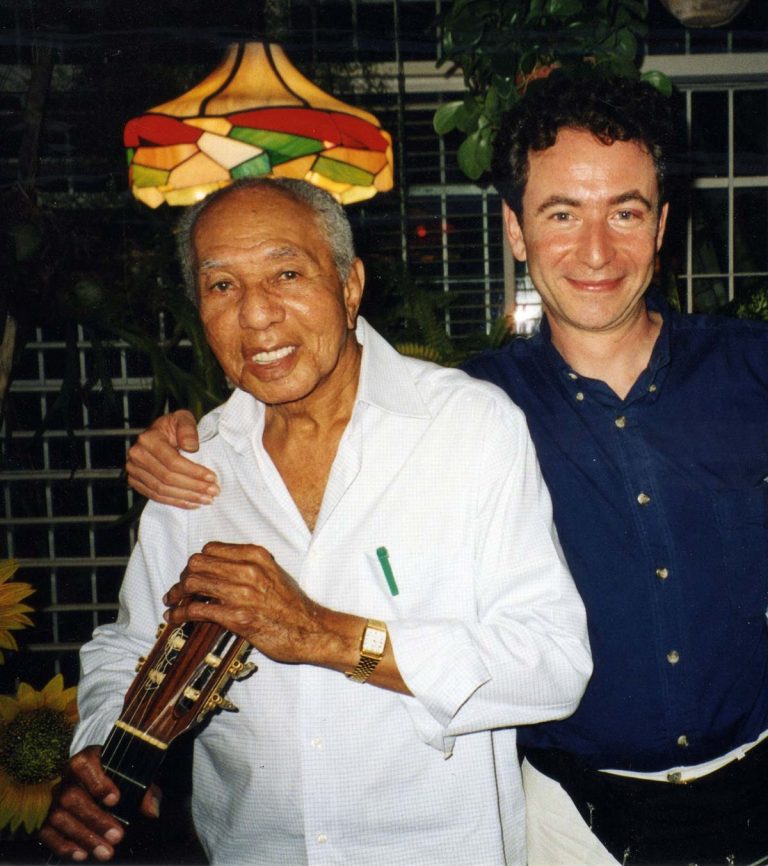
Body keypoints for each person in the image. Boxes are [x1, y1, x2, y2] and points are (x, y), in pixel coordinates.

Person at [125, 74, 768, 866]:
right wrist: (194, 434)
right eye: (561, 213)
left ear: (662, 223)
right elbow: (321, 395)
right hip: (573, 821)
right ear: (516, 229)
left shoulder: (754, 372)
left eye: (625, 212)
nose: (596, 250)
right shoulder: (471, 409)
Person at [40, 177, 591, 866]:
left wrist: (322, 634)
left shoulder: (467, 430)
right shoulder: (194, 466)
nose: (257, 316)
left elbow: (552, 666)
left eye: (287, 273)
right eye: (222, 287)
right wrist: (98, 746)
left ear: (350, 284)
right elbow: (128, 645)